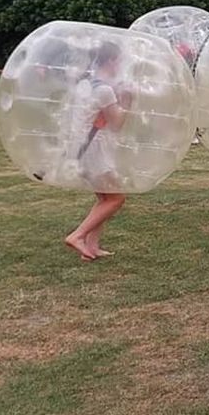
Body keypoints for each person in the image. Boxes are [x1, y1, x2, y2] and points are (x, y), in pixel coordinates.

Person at [63, 41, 132, 261]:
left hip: (81, 148)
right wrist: (128, 100)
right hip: (96, 150)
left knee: (104, 198)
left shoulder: (85, 84)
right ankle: (78, 236)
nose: (120, 66)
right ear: (111, 60)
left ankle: (91, 248)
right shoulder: (103, 89)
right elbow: (117, 122)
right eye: (119, 61)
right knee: (115, 199)